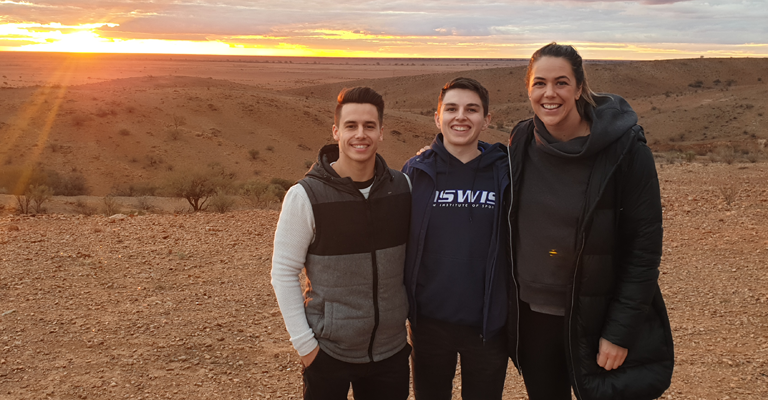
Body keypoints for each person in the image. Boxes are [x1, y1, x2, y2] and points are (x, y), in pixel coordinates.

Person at [506, 43, 674, 400]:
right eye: (539, 83)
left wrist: (619, 332)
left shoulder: (626, 150)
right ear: (529, 89)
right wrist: (437, 154)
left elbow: (644, 250)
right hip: (533, 317)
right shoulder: (521, 140)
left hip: (597, 316)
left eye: (561, 82)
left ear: (579, 87)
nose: (549, 94)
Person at [271, 86, 412, 400]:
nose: (360, 134)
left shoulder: (403, 188)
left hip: (390, 353)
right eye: (351, 126)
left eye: (369, 126)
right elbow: (283, 273)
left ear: (381, 132)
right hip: (328, 354)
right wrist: (306, 348)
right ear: (336, 132)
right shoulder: (305, 196)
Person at [402, 77, 511, 400]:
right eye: (451, 109)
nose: (460, 116)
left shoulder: (506, 172)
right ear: (438, 118)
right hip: (429, 322)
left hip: (488, 323)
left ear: (486, 119)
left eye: (471, 109)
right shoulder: (415, 172)